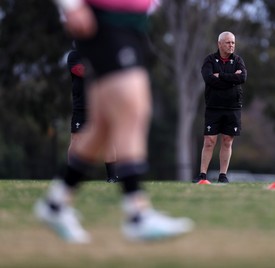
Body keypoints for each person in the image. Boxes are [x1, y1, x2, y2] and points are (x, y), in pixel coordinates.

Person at [34, 0, 193, 243]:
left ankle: (56, 204)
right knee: (133, 110)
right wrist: (70, 5)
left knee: (102, 126)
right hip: (106, 19)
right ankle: (137, 214)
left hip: (132, 22)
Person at [193, 31, 247, 184]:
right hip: (214, 107)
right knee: (209, 140)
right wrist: (231, 78)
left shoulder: (238, 60)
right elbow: (209, 79)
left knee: (227, 140)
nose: (231, 45)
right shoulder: (209, 60)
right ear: (219, 44)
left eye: (233, 43)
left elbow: (242, 77)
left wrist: (221, 76)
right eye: (228, 42)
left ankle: (223, 175)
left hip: (233, 107)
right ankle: (202, 175)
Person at [67, 45, 118, 183]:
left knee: (108, 141)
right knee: (76, 140)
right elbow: (79, 71)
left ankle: (112, 176)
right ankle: (70, 176)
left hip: (101, 105)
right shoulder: (74, 55)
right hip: (81, 107)